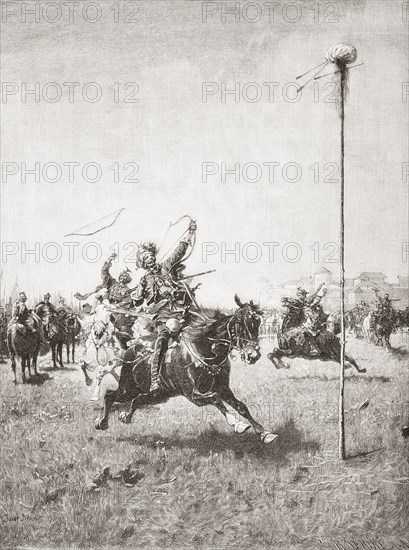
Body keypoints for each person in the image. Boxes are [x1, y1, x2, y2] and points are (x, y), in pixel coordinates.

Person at [131, 220, 197, 395]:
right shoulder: (144, 280)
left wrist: (189, 233)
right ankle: (154, 380)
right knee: (161, 342)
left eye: (151, 257)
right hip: (163, 317)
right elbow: (137, 300)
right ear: (143, 263)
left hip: (182, 311)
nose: (150, 260)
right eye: (146, 259)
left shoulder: (166, 266)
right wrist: (136, 297)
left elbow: (179, 252)